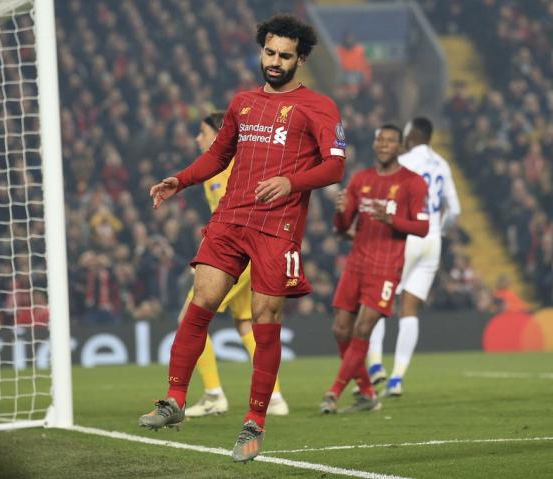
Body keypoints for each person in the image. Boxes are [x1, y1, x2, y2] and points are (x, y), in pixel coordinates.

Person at [140, 14, 346, 462]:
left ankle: (255, 421)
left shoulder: (318, 106)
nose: (274, 61)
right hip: (230, 220)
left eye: (284, 56)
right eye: (269, 52)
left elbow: (335, 166)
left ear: (300, 59)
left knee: (263, 319)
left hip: (277, 227)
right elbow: (218, 154)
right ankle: (175, 398)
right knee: (200, 303)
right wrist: (181, 180)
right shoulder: (243, 103)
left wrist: (291, 182)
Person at [179, 111, 289, 418]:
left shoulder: (229, 167)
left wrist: (208, 257)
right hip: (249, 252)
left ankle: (213, 394)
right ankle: (275, 398)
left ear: (219, 134)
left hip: (237, 253)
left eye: (202, 132)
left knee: (190, 318)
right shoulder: (227, 166)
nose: (197, 139)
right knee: (245, 324)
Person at [320, 124, 428, 414]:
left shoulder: (413, 182)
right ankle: (367, 393)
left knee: (363, 328)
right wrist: (341, 212)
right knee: (340, 329)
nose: (384, 144)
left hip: (386, 268)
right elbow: (341, 228)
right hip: (356, 263)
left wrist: (393, 221)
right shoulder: (361, 179)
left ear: (400, 147)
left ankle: (334, 392)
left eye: (390, 141)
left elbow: (422, 227)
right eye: (380, 140)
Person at [367, 117, 461, 396]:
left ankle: (375, 365)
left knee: (379, 298)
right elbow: (454, 210)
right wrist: (439, 229)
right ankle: (397, 378)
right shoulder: (442, 164)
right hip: (432, 239)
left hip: (406, 236)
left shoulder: (404, 162)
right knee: (410, 309)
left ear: (410, 136)